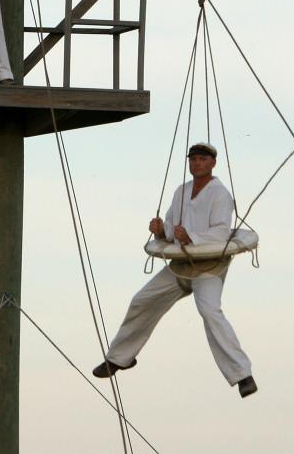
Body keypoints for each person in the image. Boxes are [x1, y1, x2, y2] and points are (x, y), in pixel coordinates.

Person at [92, 142, 257, 398]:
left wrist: (191, 236)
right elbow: (172, 226)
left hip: (208, 267)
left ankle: (242, 375)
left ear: (213, 163)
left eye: (202, 159)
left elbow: (221, 232)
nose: (196, 163)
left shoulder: (220, 194)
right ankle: (119, 358)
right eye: (193, 159)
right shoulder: (182, 191)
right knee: (142, 300)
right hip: (180, 266)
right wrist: (161, 229)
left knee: (210, 311)